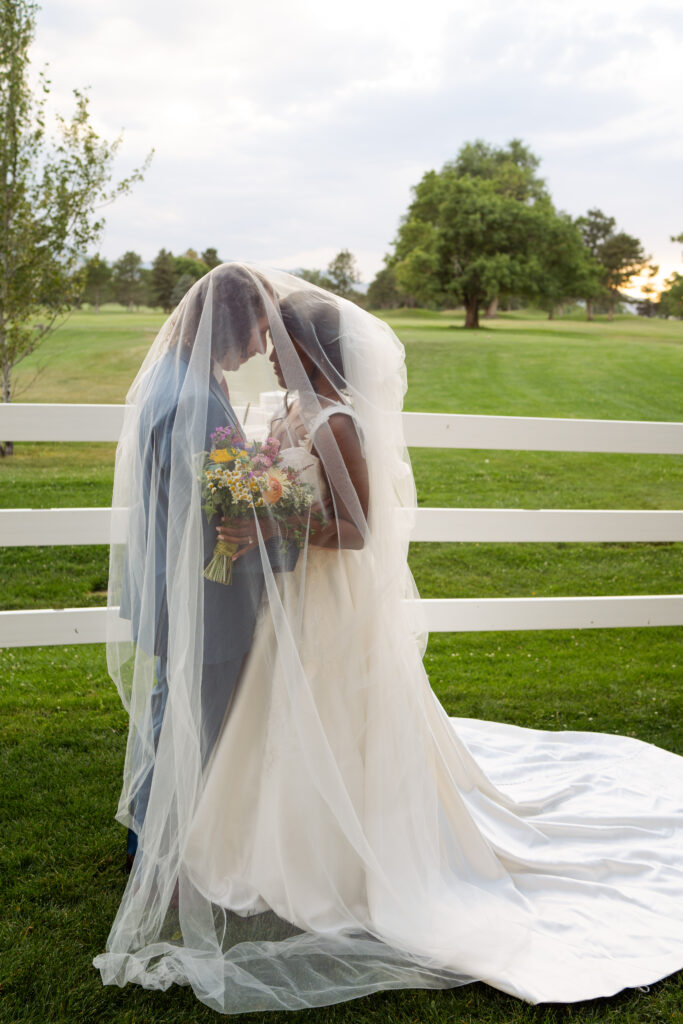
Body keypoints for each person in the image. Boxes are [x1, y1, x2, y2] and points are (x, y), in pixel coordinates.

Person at [96, 263, 683, 1014]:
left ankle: (286, 854)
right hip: (268, 599)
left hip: (317, 601)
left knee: (301, 721)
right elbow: (243, 492)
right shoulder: (267, 408)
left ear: (307, 349)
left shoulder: (334, 420)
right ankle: (216, 846)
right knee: (244, 720)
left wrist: (270, 519)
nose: (266, 352)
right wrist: (260, 512)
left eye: (278, 342)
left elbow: (354, 527)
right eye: (261, 335)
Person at [112, 264, 273, 869]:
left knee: (168, 710)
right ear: (231, 324)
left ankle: (147, 843)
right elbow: (218, 511)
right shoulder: (193, 398)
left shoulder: (179, 374)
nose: (262, 346)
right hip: (204, 594)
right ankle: (163, 856)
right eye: (258, 331)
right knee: (192, 726)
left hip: (168, 583)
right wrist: (277, 514)